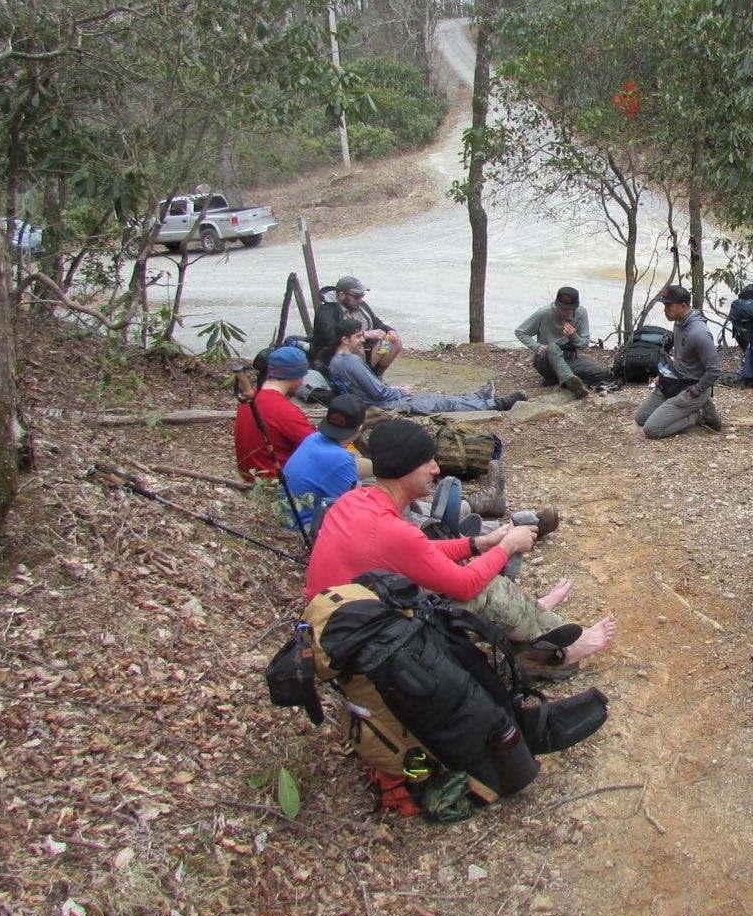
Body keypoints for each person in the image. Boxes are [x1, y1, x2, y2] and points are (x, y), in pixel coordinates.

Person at [305, 421, 615, 675]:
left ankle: (531, 618)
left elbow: (420, 552)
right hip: (358, 644)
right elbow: (465, 586)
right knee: (484, 590)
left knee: (470, 568)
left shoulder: (355, 500)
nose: (436, 469)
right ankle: (566, 648)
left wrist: (479, 543)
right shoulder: (390, 530)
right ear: (404, 469)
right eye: (427, 461)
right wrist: (507, 546)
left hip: (340, 624)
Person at [328, 318, 525, 414]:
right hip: (383, 406)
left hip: (372, 402)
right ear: (344, 339)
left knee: (436, 398)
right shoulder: (352, 361)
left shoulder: (335, 362)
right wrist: (400, 391)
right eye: (358, 337)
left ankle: (479, 397)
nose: (363, 340)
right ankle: (497, 405)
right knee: (440, 403)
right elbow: (379, 393)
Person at [634, 284, 723, 438]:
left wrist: (694, 392)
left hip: (692, 389)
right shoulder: (679, 324)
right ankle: (677, 409)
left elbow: (715, 370)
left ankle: (700, 414)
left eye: (668, 305)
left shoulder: (699, 333)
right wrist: (663, 376)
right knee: (641, 418)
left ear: (683, 306)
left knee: (652, 430)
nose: (665, 310)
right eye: (665, 305)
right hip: (675, 382)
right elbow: (681, 360)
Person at [282, 394, 369, 522]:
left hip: (287, 517)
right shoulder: (341, 459)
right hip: (305, 527)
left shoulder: (313, 438)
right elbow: (354, 511)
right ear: (359, 428)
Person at [234, 346, 315, 481]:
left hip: (250, 477)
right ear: (296, 376)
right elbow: (317, 447)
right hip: (277, 482)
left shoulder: (250, 398)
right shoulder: (284, 410)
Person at [515, 286, 611, 399]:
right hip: (546, 360)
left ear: (575, 308)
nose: (564, 312)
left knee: (602, 373)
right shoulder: (544, 313)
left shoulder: (581, 313)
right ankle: (570, 383)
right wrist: (536, 346)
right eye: (561, 309)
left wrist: (573, 336)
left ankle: (557, 379)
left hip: (568, 360)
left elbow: (584, 344)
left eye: (568, 310)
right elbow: (520, 331)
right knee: (553, 347)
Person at [311, 275, 402, 376]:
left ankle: (376, 376)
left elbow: (377, 323)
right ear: (341, 295)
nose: (360, 300)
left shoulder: (360, 305)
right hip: (337, 356)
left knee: (392, 342)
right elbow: (331, 336)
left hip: (364, 351)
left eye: (362, 295)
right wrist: (364, 334)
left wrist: (390, 331)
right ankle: (364, 377)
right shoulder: (326, 311)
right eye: (357, 296)